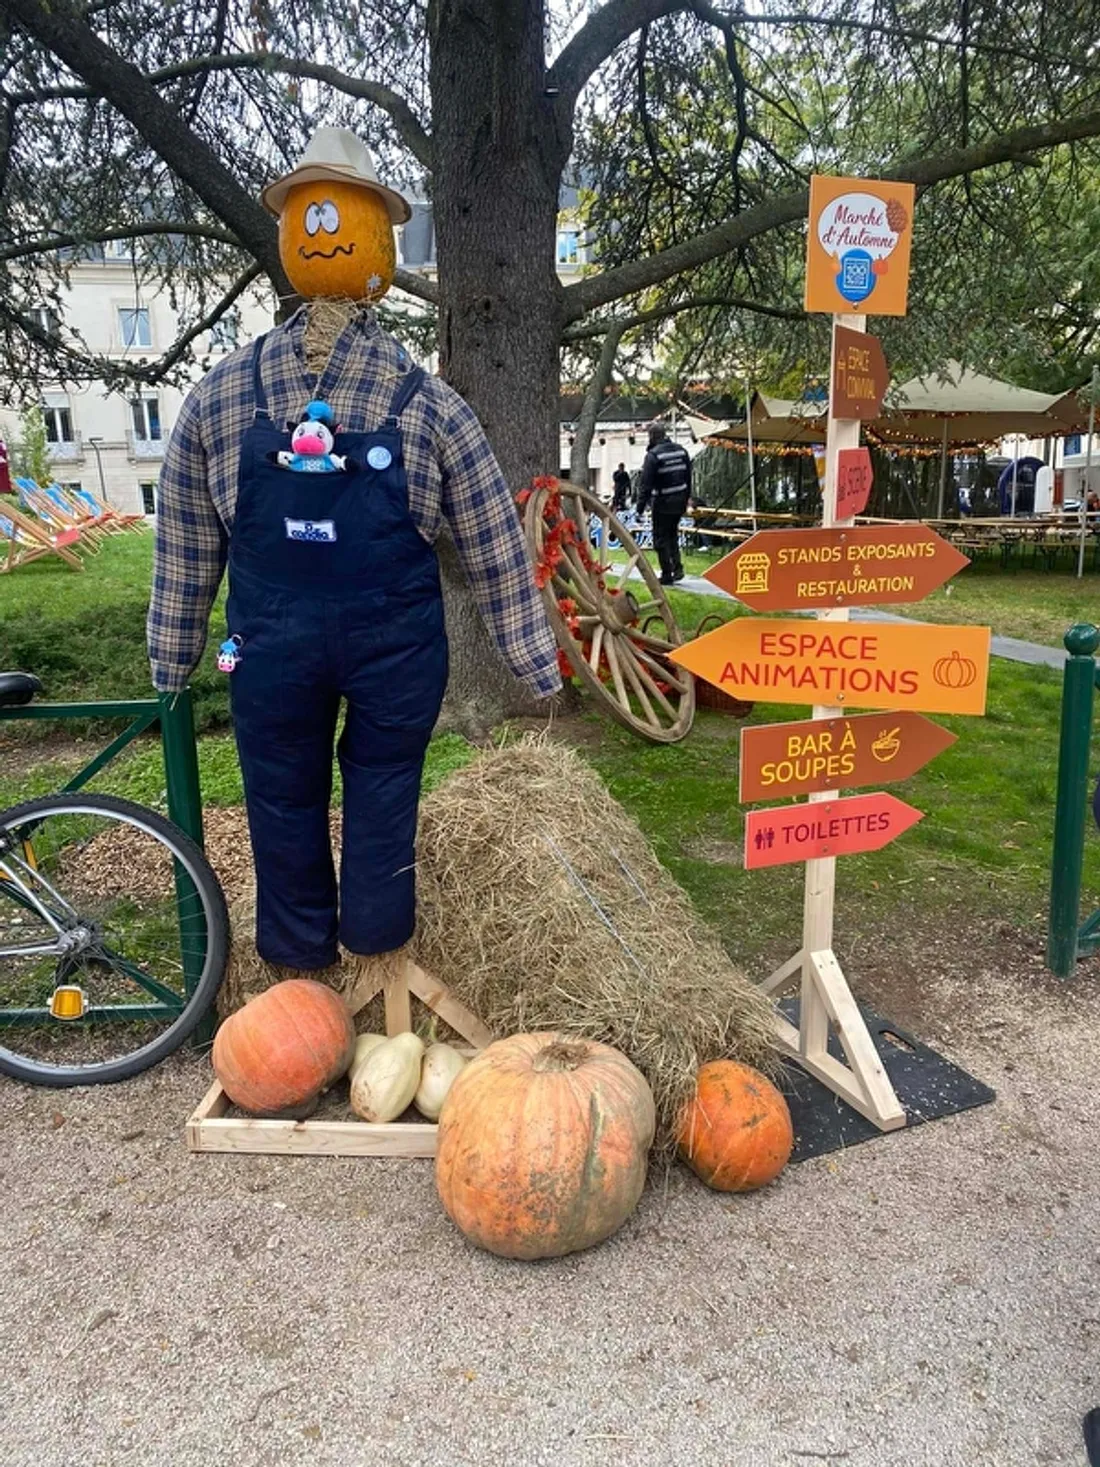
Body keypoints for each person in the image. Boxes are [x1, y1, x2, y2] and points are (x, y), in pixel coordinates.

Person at [147, 127, 561, 974]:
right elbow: (489, 535)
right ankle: (373, 955)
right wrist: (535, 658)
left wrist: (171, 654)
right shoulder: (433, 406)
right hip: (390, 650)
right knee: (380, 795)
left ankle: (305, 967)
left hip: (276, 647)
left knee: (281, 795)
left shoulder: (217, 398)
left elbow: (188, 542)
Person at [637, 423, 692, 584]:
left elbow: (645, 485)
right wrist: (686, 498)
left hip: (662, 503)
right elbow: (688, 478)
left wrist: (639, 509)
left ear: (652, 436)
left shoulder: (653, 456)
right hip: (680, 501)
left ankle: (667, 574)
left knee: (660, 539)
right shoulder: (681, 451)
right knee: (672, 535)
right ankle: (678, 567)